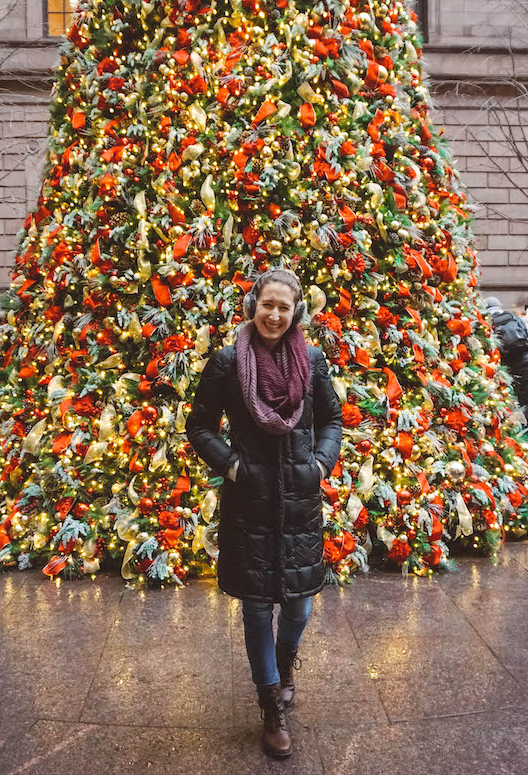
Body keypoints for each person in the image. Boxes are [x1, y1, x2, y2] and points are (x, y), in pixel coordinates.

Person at [185, 269, 342, 760]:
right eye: (267, 304)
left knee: (299, 601)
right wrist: (232, 467)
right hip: (248, 501)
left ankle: (285, 662)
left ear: (296, 311)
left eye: (284, 307)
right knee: (256, 606)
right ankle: (270, 703)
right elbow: (199, 425)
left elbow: (332, 418)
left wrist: (319, 465)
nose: (274, 315)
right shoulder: (229, 361)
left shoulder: (312, 359)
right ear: (253, 305)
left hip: (300, 499)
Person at [484, 297, 528, 429]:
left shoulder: (487, 324)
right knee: (527, 412)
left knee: (509, 411)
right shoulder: (514, 318)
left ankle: (513, 445)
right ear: (500, 306)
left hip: (511, 370)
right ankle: (526, 446)